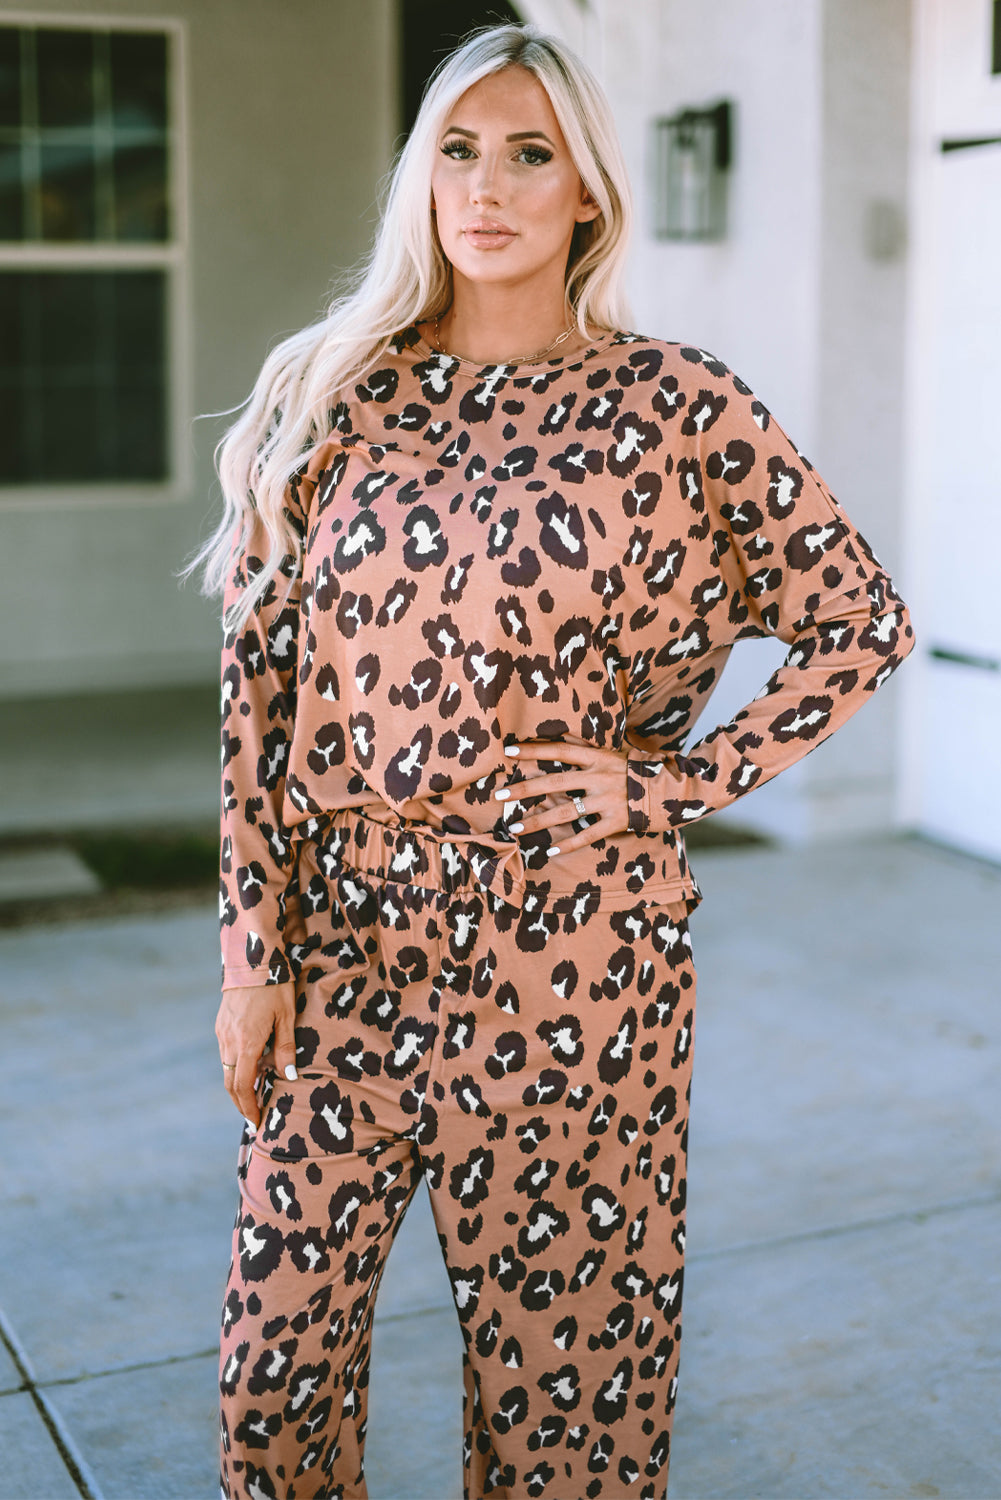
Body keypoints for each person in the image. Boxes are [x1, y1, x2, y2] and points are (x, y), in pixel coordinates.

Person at [194, 22, 914, 1500]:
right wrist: (252, 950)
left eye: (530, 153)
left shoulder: (675, 404)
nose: (489, 187)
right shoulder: (330, 393)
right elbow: (256, 696)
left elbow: (859, 621)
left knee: (563, 1412)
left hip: (577, 952)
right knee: (270, 1381)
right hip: (346, 949)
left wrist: (669, 786)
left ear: (587, 187)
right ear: (419, 178)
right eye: (458, 150)